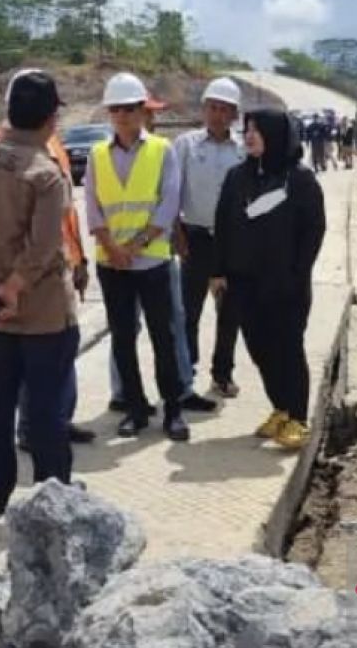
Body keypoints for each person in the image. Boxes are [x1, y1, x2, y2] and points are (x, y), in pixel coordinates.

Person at [0, 69, 81, 514]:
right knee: (47, 412)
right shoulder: (46, 174)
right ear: (52, 118)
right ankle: (53, 501)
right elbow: (43, 247)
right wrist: (15, 288)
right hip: (41, 311)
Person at [212, 108, 326, 450]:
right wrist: (218, 271)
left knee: (288, 350)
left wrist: (297, 272)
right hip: (244, 283)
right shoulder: (237, 177)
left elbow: (314, 230)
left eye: (257, 130)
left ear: (276, 135)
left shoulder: (300, 180)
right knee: (259, 350)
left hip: (285, 285)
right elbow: (223, 224)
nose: (248, 135)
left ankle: (299, 419)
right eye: (246, 129)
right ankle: (280, 409)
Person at [0, 70, 95, 454]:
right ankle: (32, 431)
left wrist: (80, 258)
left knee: (60, 359)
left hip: (60, 265)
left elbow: (66, 215)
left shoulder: (53, 146)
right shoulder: (4, 151)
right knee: (34, 362)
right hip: (29, 274)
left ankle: (56, 423)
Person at [87, 72, 189, 441]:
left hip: (152, 261)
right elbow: (93, 208)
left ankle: (174, 410)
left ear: (143, 110)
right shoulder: (98, 155)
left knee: (163, 336)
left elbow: (168, 203)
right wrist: (113, 248)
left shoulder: (163, 150)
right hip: (112, 264)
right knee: (123, 338)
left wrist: (136, 245)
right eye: (116, 109)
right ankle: (135, 408)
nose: (123, 116)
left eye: (129, 109)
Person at [107, 96, 214, 414]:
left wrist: (176, 236)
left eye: (151, 112)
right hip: (123, 258)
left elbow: (170, 201)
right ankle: (125, 391)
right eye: (149, 111)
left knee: (171, 323)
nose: (152, 117)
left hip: (157, 253)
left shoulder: (159, 150)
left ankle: (180, 389)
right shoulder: (109, 154)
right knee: (127, 327)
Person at [173, 77, 246, 398]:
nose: (217, 114)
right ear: (204, 110)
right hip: (195, 238)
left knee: (229, 313)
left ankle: (222, 374)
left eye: (224, 109)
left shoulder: (244, 150)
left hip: (231, 243)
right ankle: (185, 371)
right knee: (189, 310)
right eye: (212, 107)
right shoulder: (186, 146)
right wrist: (176, 234)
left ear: (234, 114)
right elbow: (171, 193)